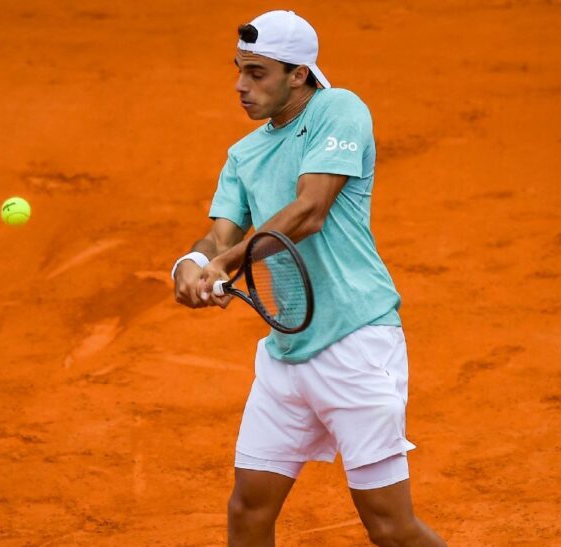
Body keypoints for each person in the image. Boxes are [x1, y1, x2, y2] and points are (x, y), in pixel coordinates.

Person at [171, 10, 447, 547]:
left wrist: (224, 267)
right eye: (239, 71)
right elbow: (219, 235)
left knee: (391, 529)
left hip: (357, 345)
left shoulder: (338, 110)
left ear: (298, 74)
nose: (240, 86)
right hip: (286, 355)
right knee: (248, 511)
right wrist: (190, 263)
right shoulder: (243, 154)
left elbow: (309, 209)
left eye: (257, 73)